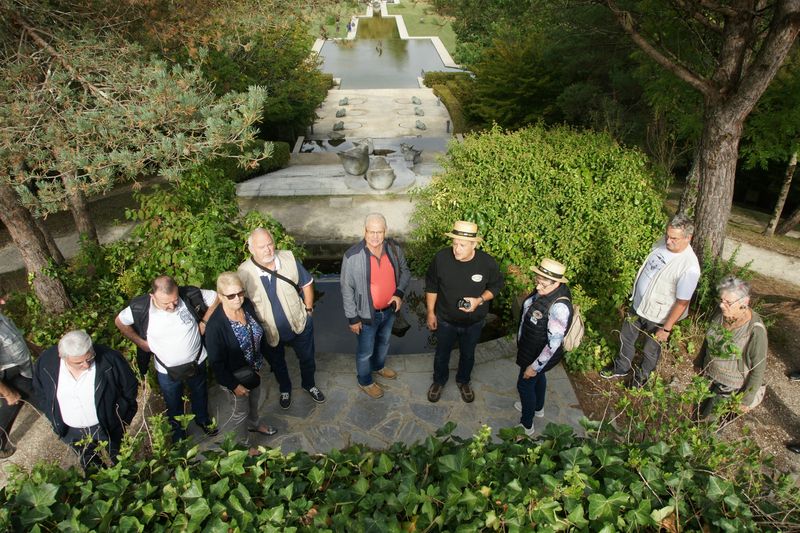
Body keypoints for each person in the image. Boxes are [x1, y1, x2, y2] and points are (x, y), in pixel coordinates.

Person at [601, 214, 701, 387]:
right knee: (626, 337)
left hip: (658, 316)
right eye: (667, 235)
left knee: (650, 350)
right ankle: (621, 367)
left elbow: (682, 302)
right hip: (638, 305)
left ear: (688, 238)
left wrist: (666, 328)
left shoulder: (689, 267)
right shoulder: (664, 243)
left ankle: (641, 377)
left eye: (674, 238)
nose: (668, 241)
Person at [115, 276, 218, 439]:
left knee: (200, 392)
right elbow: (120, 321)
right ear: (152, 296)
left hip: (197, 360)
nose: (172, 306)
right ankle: (179, 435)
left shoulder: (188, 295)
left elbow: (216, 297)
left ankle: (202, 419)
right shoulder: (141, 308)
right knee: (173, 402)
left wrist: (204, 322)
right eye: (166, 303)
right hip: (166, 369)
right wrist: (140, 342)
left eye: (175, 301)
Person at [238, 228, 325, 409]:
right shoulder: (244, 272)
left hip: (300, 323)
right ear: (252, 249)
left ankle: (309, 384)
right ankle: (285, 388)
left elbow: (307, 283)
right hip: (268, 331)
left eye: (270, 244)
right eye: (261, 247)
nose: (268, 249)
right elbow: (241, 303)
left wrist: (309, 309)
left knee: (307, 359)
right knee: (277, 364)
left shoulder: (288, 259)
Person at [33, 330, 137, 469]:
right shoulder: (46, 363)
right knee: (91, 468)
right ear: (63, 357)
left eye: (89, 358)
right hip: (72, 432)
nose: (87, 365)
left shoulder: (110, 358)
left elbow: (129, 388)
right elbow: (41, 392)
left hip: (109, 426)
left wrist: (122, 416)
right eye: (79, 362)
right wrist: (53, 418)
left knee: (123, 462)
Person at [425, 221, 503, 403]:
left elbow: (497, 285)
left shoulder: (487, 263)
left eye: (462, 245)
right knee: (441, 354)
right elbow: (432, 286)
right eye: (454, 244)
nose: (456, 249)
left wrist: (479, 300)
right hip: (445, 320)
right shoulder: (441, 258)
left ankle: (464, 381)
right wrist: (430, 312)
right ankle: (439, 381)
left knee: (468, 354)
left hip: (474, 322)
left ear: (474, 244)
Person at [341, 213, 411, 399]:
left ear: (385, 231)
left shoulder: (394, 249)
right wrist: (352, 318)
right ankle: (365, 381)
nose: (375, 236)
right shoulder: (352, 256)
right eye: (371, 231)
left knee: (384, 342)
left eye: (379, 232)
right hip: (366, 315)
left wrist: (399, 293)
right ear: (364, 231)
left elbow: (405, 271)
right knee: (365, 351)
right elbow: (346, 289)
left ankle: (379, 366)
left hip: (389, 311)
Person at [206, 272, 276, 441]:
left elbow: (258, 335)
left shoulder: (246, 306)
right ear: (220, 296)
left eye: (240, 293)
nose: (237, 298)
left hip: (254, 371)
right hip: (235, 378)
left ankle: (254, 424)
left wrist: (262, 364)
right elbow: (216, 363)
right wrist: (234, 385)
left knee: (254, 403)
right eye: (231, 296)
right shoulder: (216, 326)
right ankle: (243, 446)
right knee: (240, 413)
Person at [514, 259, 573, 436]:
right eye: (537, 280)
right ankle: (538, 408)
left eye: (543, 284)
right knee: (538, 379)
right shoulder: (547, 291)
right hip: (531, 347)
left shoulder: (559, 308)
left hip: (538, 355)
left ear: (556, 283)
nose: (538, 286)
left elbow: (553, 344)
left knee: (525, 386)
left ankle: (526, 425)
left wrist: (534, 367)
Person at [695, 277, 767, 421]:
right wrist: (699, 361)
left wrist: (746, 399)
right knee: (696, 414)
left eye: (728, 302)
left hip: (730, 387)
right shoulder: (719, 313)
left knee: (709, 424)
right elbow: (708, 339)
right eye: (721, 300)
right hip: (708, 375)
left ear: (744, 302)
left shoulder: (755, 331)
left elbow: (758, 369)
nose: (722, 305)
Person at [0, 310, 33, 458]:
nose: (3, 302)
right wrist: (8, 393)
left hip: (23, 370)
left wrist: (34, 348)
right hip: (11, 375)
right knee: (46, 401)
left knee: (12, 406)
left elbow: (16, 338)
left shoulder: (2, 317)